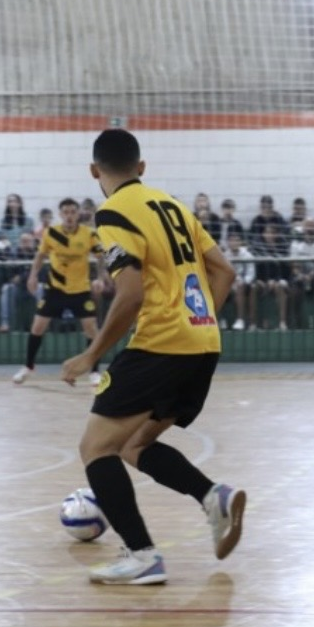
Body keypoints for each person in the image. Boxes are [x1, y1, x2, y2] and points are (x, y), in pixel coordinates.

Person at [59, 128, 244, 585]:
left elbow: (131, 294)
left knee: (94, 447)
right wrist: (194, 318)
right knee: (132, 444)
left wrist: (92, 353)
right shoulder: (174, 205)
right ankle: (211, 496)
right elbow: (224, 270)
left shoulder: (113, 212)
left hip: (159, 344)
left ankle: (142, 555)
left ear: (94, 171)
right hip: (202, 344)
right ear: (142, 168)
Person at [12, 198, 107, 385]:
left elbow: (100, 257)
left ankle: (94, 371)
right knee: (37, 326)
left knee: (91, 328)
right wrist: (33, 276)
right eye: (66, 212)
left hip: (80, 290)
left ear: (78, 213)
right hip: (55, 289)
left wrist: (100, 278)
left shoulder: (89, 234)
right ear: (61, 214)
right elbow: (40, 256)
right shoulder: (51, 233)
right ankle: (28, 366)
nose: (70, 216)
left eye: (73, 212)